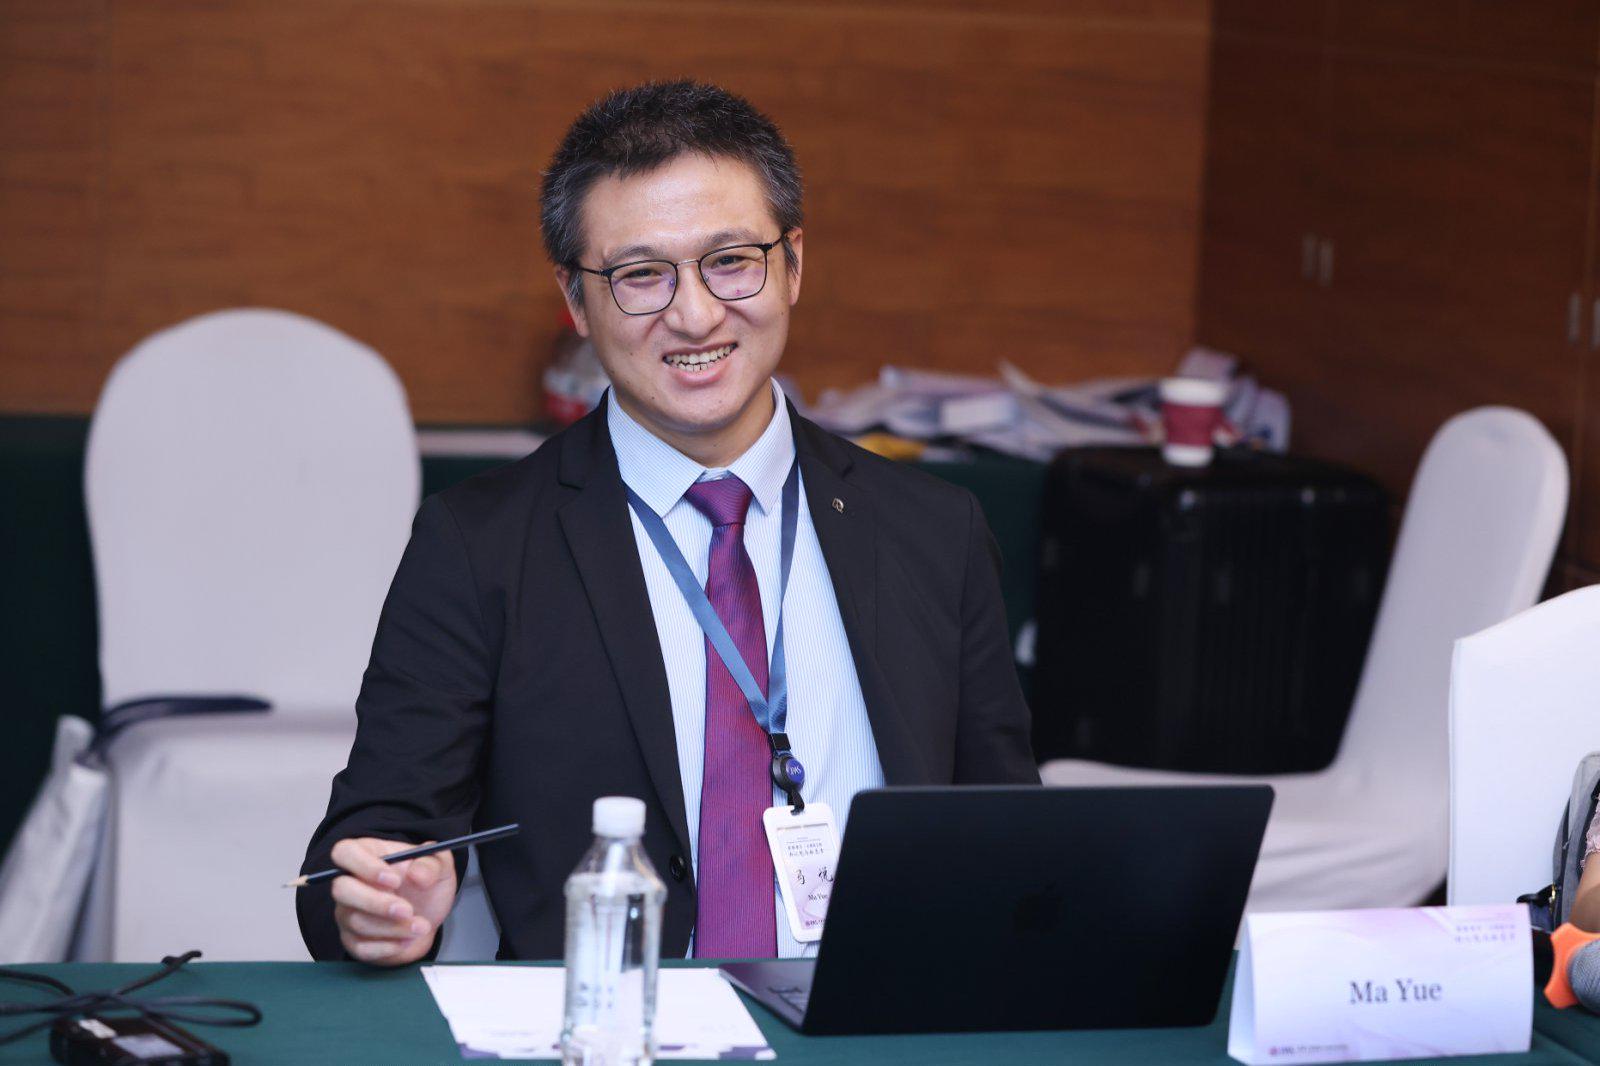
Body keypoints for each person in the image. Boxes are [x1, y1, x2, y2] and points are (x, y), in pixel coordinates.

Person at [298, 80, 1039, 966]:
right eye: (641, 275)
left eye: (731, 260)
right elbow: (364, 847)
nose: (695, 315)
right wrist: (380, 903)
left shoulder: (933, 531)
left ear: (793, 264)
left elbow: (1012, 840)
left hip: (872, 1018)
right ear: (577, 302)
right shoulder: (480, 544)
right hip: (611, 1023)